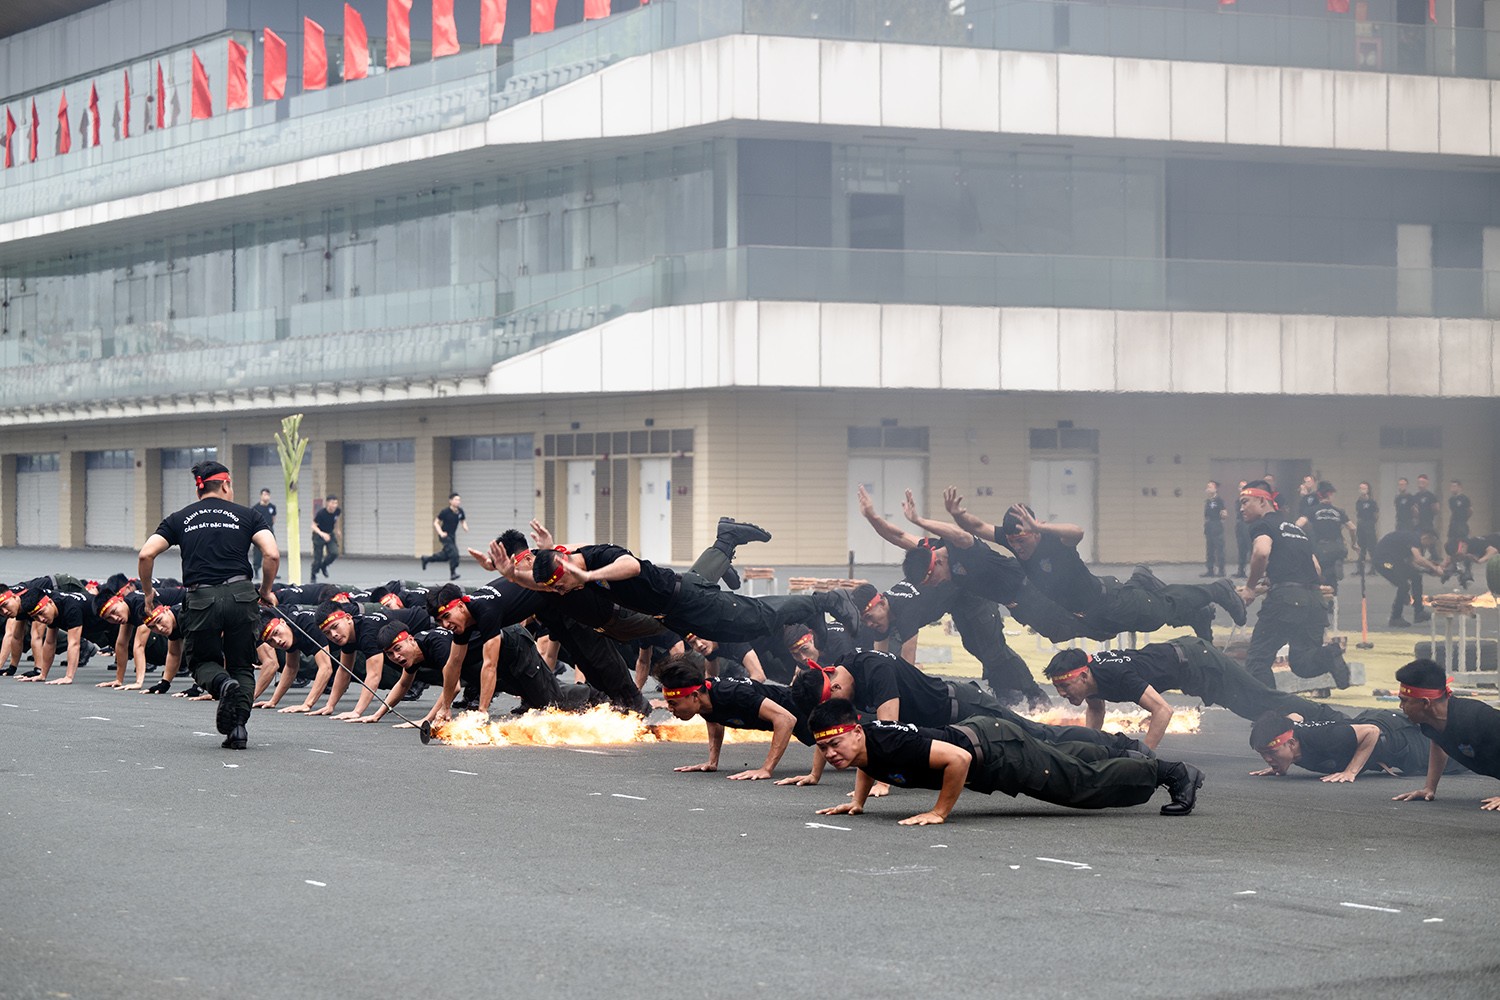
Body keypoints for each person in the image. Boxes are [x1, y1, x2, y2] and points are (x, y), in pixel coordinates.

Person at [808, 698, 1204, 825]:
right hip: (988, 737)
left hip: (996, 752)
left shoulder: (891, 743)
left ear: (856, 731)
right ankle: (1127, 754)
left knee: (1081, 785)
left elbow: (958, 760)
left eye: (835, 744)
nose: (831, 754)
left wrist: (939, 812)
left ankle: (1172, 773)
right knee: (1064, 759)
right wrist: (858, 801)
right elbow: (867, 762)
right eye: (824, 750)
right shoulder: (865, 743)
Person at [924, 491, 1244, 639]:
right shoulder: (1013, 541)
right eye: (1012, 541)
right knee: (1142, 624)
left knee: (1157, 611)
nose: (1017, 546)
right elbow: (978, 527)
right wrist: (957, 514)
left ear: (1035, 532)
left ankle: (1216, 591)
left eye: (1022, 539)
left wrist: (1042, 527)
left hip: (1107, 599)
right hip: (1089, 613)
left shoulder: (1051, 542)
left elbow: (1077, 531)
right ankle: (1146, 580)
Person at [136, 461, 279, 750]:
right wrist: (265, 590)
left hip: (201, 599)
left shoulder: (180, 518)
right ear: (225, 484)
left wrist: (149, 594)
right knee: (241, 664)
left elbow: (145, 554)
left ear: (198, 489)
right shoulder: (248, 515)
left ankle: (222, 684)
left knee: (202, 662)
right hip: (241, 595)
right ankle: (238, 729)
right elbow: (272, 554)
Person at [1044, 637, 1347, 750]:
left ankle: (1333, 719)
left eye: (1065, 686)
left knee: (1261, 703)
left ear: (1082, 675)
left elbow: (1163, 711)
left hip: (1200, 664)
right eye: (1058, 688)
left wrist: (1144, 756)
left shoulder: (1114, 674)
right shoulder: (1092, 675)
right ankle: (1322, 721)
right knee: (1258, 706)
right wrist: (1090, 744)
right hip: (1188, 663)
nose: (1063, 693)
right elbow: (1096, 709)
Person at [1236, 479, 1350, 689]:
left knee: (1257, 660)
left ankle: (1270, 707)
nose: (1241, 508)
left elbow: (1261, 553)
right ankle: (1329, 655)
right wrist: (1272, 581)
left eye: (1245, 502)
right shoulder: (1296, 530)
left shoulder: (1262, 525)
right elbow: (1316, 569)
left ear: (1262, 501)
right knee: (1302, 663)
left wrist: (1250, 588)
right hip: (1314, 602)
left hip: (1285, 604)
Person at [659, 657, 805, 780]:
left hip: (805, 709)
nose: (670, 709)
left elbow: (786, 719)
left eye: (673, 703)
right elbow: (713, 718)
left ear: (695, 696)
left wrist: (766, 769)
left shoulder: (733, 693)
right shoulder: (704, 698)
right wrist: (712, 761)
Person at [1391, 659, 1500, 810]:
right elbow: (1438, 742)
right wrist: (1429, 788)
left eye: (1404, 701)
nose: (1401, 706)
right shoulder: (1428, 722)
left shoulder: (1476, 718)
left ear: (1426, 703)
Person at [1248, 708, 1456, 782]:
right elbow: (1295, 716)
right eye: (1263, 754)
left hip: (1398, 739)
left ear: (1292, 743)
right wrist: (1279, 762)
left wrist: (1351, 771)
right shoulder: (1290, 734)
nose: (1267, 758)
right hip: (1368, 723)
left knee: (1458, 756)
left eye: (1271, 752)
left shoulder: (1325, 738)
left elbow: (1371, 732)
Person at [1296, 482, 1358, 594]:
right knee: (1332, 577)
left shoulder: (1312, 510)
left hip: (1321, 548)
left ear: (1319, 495)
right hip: (1337, 546)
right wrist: (1354, 543)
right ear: (1330, 495)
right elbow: (1352, 528)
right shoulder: (1339, 511)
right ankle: (1334, 594)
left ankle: (1323, 594)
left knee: (1320, 574)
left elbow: (1299, 524)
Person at [1372, 528, 1441, 627]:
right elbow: (1419, 559)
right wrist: (1435, 568)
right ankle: (1395, 617)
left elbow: (1412, 562)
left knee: (1416, 577)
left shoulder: (1412, 540)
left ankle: (1419, 612)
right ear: (1427, 537)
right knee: (1403, 585)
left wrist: (1428, 571)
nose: (1429, 546)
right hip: (1383, 563)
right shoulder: (1414, 539)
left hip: (1394, 561)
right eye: (1431, 543)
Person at [422, 493, 468, 581]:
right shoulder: (445, 512)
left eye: (459, 500)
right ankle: (453, 573)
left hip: (452, 536)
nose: (458, 501)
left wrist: (465, 527)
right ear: (450, 501)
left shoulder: (460, 511)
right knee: (454, 553)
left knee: (446, 556)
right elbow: (436, 522)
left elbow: (462, 520)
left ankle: (427, 559)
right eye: (456, 500)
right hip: (445, 536)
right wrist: (441, 533)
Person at [309, 495, 342, 582]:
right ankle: (313, 574)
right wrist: (322, 534)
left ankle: (324, 566)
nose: (334, 505)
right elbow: (313, 526)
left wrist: (337, 530)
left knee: (334, 552)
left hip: (330, 534)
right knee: (318, 560)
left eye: (336, 503)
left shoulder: (337, 511)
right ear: (327, 503)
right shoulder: (321, 513)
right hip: (319, 535)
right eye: (332, 503)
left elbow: (336, 519)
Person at [1202, 480, 1227, 578]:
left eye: (1210, 487)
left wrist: (1222, 517)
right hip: (1209, 526)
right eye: (1207, 487)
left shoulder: (1219, 500)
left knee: (1219, 549)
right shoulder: (1208, 502)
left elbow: (1224, 513)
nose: (1208, 489)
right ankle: (1210, 570)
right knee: (1210, 550)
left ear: (1215, 489)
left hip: (1217, 525)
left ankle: (1221, 570)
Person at [250, 489, 278, 576]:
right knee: (258, 551)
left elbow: (273, 518)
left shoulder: (272, 507)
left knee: (272, 551)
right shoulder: (256, 508)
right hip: (259, 530)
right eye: (264, 495)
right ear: (261, 496)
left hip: (269, 529)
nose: (266, 497)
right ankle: (256, 569)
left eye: (268, 495)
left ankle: (273, 572)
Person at [1354, 482, 1379, 573]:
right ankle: (1360, 568)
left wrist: (1371, 523)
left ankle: (1374, 568)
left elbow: (1376, 514)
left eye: (1364, 488)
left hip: (1369, 526)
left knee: (1372, 548)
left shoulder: (1372, 502)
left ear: (1368, 490)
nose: (1362, 490)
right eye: (1361, 488)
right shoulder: (1358, 502)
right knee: (1361, 547)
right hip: (1361, 526)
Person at [1412, 475, 1440, 544]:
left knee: (1430, 545)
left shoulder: (1431, 496)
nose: (1421, 484)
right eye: (1419, 482)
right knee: (1417, 543)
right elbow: (1413, 513)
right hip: (1418, 525)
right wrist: (1414, 511)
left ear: (1427, 483)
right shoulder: (1415, 497)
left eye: (1423, 482)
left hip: (1428, 525)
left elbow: (1437, 510)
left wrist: (1434, 508)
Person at [1234, 479, 1252, 577]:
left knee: (1250, 548)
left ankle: (1254, 572)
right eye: (1241, 487)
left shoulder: (1251, 500)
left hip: (1248, 525)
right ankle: (1241, 571)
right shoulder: (1238, 501)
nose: (1242, 489)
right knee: (1241, 549)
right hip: (1240, 525)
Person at [1446, 480, 1471, 548]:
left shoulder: (1464, 498)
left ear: (1459, 487)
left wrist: (1464, 518)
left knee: (1462, 540)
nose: (1452, 488)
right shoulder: (1451, 500)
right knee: (1451, 541)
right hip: (1453, 523)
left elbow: (1470, 511)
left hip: (1461, 523)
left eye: (1454, 486)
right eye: (1451, 486)